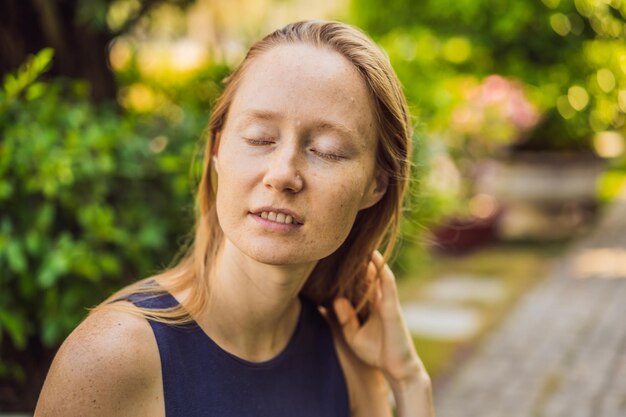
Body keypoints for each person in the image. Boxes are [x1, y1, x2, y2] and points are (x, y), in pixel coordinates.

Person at [34, 20, 434, 417]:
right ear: (217, 150)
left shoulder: (346, 354)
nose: (282, 174)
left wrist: (409, 378)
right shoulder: (112, 356)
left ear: (376, 186)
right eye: (260, 138)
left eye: (327, 150)